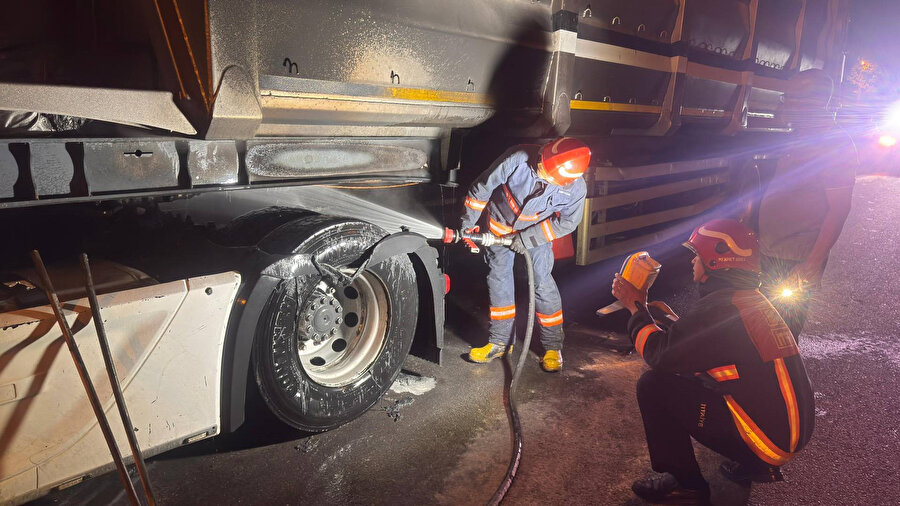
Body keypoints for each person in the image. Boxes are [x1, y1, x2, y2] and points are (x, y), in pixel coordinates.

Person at [610, 219, 814, 504]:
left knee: (654, 386)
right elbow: (703, 347)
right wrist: (663, 319)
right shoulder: (745, 300)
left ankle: (687, 485)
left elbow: (658, 355)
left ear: (715, 261)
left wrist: (635, 307)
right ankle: (753, 462)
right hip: (787, 432)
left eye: (697, 255)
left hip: (769, 441)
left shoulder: (722, 308)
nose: (693, 261)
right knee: (692, 373)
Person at [461, 137, 590, 372]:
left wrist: (528, 238)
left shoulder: (575, 188)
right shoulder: (518, 157)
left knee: (541, 282)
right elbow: (483, 187)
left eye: (546, 172)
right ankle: (500, 342)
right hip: (499, 228)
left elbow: (568, 222)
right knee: (499, 280)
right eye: (541, 163)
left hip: (536, 236)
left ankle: (552, 347)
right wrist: (467, 225)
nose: (539, 168)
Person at [751, 69, 857, 341]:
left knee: (781, 337)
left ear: (816, 102)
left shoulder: (835, 145)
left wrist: (812, 263)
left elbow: (839, 209)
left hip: (796, 259)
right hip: (771, 251)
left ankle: (783, 371)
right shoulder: (797, 137)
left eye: (791, 97)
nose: (784, 104)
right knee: (758, 332)